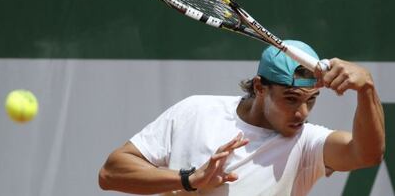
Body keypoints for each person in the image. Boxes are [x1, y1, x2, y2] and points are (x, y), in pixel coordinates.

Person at [98, 40, 385, 196]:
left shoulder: (307, 143)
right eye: (291, 99)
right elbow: (111, 173)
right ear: (260, 87)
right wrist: (189, 180)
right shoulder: (196, 111)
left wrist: (367, 89)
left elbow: (367, 154)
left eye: (311, 101)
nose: (302, 113)